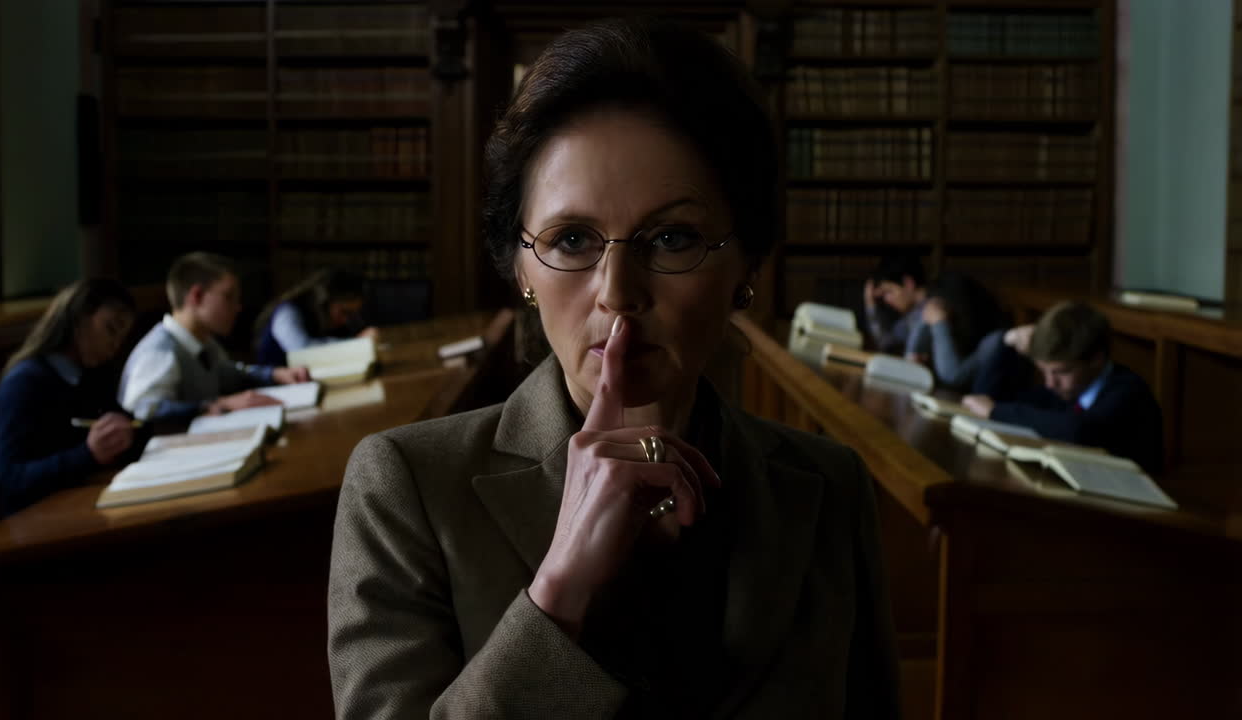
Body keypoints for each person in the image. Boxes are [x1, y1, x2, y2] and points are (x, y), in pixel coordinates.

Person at [328, 19, 900, 719]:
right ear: (521, 269)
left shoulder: (831, 485)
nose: (618, 293)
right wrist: (560, 591)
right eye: (572, 238)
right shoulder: (405, 486)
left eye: (673, 238)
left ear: (747, 265)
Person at [0, 278, 145, 514]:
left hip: (85, 504)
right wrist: (88, 454)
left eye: (121, 338)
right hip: (38, 518)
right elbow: (12, 482)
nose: (115, 345)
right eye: (111, 330)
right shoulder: (23, 383)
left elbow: (127, 423)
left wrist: (127, 433)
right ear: (79, 317)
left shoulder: (91, 374)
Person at [961, 301, 1163, 474]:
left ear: (1096, 359)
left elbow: (1079, 430)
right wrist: (1007, 341)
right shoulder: (1063, 390)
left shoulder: (1129, 391)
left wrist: (997, 411)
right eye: (1044, 372)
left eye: (1061, 372)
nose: (1050, 383)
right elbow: (985, 399)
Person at [118, 251, 310, 422]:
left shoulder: (203, 342)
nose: (238, 307)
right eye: (229, 296)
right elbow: (144, 411)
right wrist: (219, 405)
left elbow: (228, 373)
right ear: (196, 296)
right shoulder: (159, 351)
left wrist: (274, 374)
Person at [253, 268, 379, 366]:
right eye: (344, 312)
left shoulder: (328, 320)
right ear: (324, 302)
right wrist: (356, 343)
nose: (346, 320)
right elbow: (302, 351)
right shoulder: (287, 312)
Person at [862, 253, 928, 355]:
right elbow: (886, 343)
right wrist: (870, 303)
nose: (887, 299)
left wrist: (870, 306)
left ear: (908, 283)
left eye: (889, 291)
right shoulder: (911, 315)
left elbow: (886, 346)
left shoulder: (928, 313)